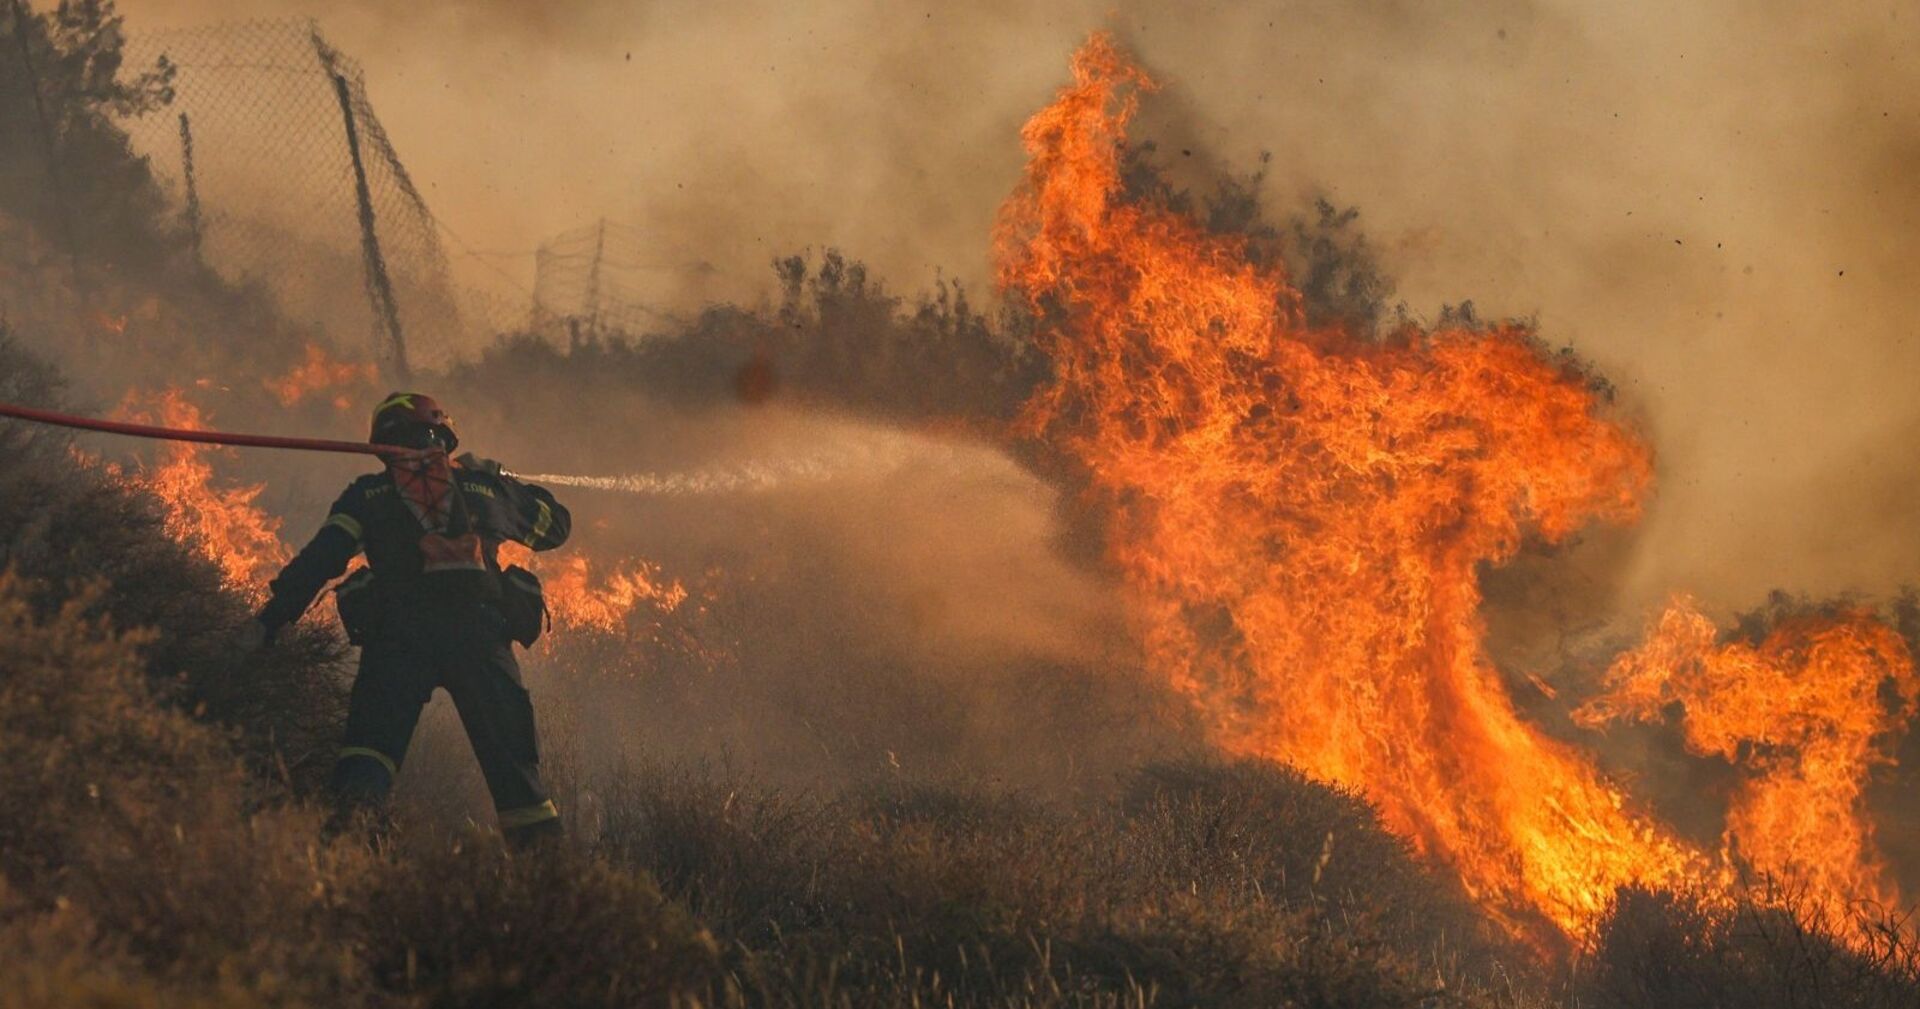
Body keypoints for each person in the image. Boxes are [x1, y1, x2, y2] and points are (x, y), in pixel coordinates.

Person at [239, 392, 571, 847]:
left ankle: (343, 867)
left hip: (397, 639)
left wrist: (268, 622)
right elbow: (556, 528)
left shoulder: (367, 495)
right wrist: (504, 480)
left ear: (383, 443)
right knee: (515, 773)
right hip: (479, 637)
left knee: (366, 759)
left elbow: (320, 562)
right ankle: (551, 886)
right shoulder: (482, 487)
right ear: (445, 435)